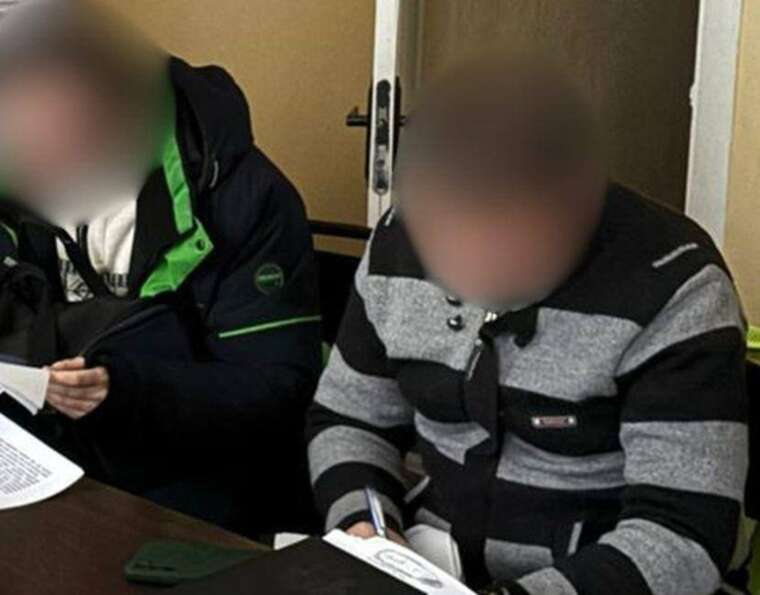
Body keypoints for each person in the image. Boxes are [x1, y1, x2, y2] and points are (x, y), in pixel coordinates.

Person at [307, 51, 750, 594]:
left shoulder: (677, 287)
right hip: (434, 570)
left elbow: (682, 537)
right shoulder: (402, 238)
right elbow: (350, 420)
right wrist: (368, 533)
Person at [0, 0, 321, 536]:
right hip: (52, 472)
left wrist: (125, 389)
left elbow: (278, 390)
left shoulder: (244, 195)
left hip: (201, 495)